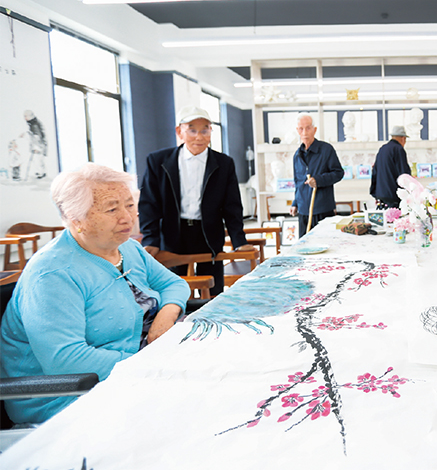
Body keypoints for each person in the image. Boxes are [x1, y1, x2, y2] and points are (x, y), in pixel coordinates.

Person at [0, 163, 189, 424]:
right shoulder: (53, 274)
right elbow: (66, 359)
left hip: (138, 367)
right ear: (76, 218)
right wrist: (154, 363)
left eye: (129, 205)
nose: (127, 217)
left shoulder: (126, 248)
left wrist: (165, 316)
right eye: (112, 209)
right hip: (68, 396)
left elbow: (174, 284)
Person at [138, 106, 253, 296]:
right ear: (179, 132)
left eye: (205, 130)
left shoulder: (224, 163)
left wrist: (238, 240)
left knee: (213, 290)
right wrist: (151, 239)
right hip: (173, 234)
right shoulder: (158, 161)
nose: (199, 137)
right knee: (176, 290)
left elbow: (232, 206)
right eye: (192, 130)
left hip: (209, 235)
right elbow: (149, 204)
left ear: (211, 132)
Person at [289, 114, 344, 238]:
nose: (304, 132)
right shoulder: (297, 155)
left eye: (308, 128)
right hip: (303, 211)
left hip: (323, 209)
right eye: (301, 129)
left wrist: (318, 180)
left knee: (326, 244)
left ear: (314, 130)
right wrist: (295, 203)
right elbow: (298, 183)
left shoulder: (326, 150)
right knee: (304, 245)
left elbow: (338, 173)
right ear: (297, 131)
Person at [370, 125, 411, 209]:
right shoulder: (399, 149)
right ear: (403, 139)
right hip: (394, 195)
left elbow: (375, 171)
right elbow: (404, 174)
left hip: (381, 194)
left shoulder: (382, 149)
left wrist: (375, 192)